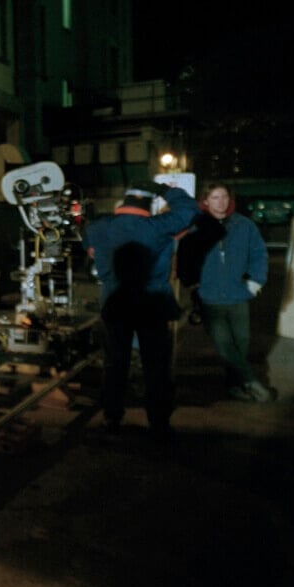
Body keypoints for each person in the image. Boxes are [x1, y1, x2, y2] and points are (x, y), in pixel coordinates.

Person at [84, 181, 198, 441]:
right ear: (149, 204)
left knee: (115, 363)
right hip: (152, 305)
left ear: (124, 202)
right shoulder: (158, 227)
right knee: (155, 365)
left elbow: (88, 247)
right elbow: (190, 209)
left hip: (115, 303)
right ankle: (158, 422)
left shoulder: (98, 227)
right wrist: (164, 189)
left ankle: (112, 417)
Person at [178, 182, 271, 402]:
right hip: (210, 299)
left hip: (239, 297)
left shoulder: (244, 225)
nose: (221, 202)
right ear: (205, 201)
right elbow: (185, 260)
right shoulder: (196, 228)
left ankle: (233, 388)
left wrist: (255, 282)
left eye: (225, 197)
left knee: (240, 346)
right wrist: (193, 284)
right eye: (215, 197)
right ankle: (254, 384)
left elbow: (259, 254)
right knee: (225, 346)